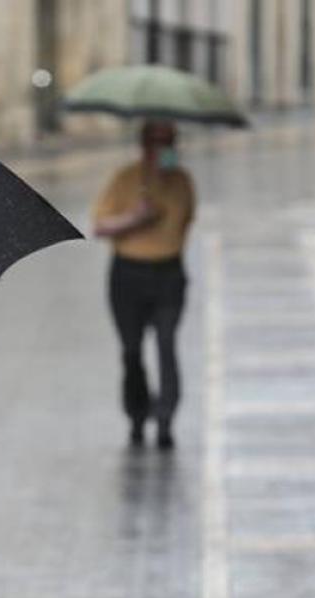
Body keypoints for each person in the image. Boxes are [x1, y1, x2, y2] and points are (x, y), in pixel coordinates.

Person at [93, 120, 196, 450]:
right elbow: (100, 226)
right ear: (144, 145)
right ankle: (137, 413)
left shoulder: (182, 182)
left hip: (168, 274)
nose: (164, 148)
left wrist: (162, 189)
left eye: (169, 141)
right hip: (128, 274)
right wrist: (135, 218)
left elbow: (183, 224)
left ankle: (165, 417)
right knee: (131, 350)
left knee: (166, 344)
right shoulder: (126, 179)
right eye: (156, 142)